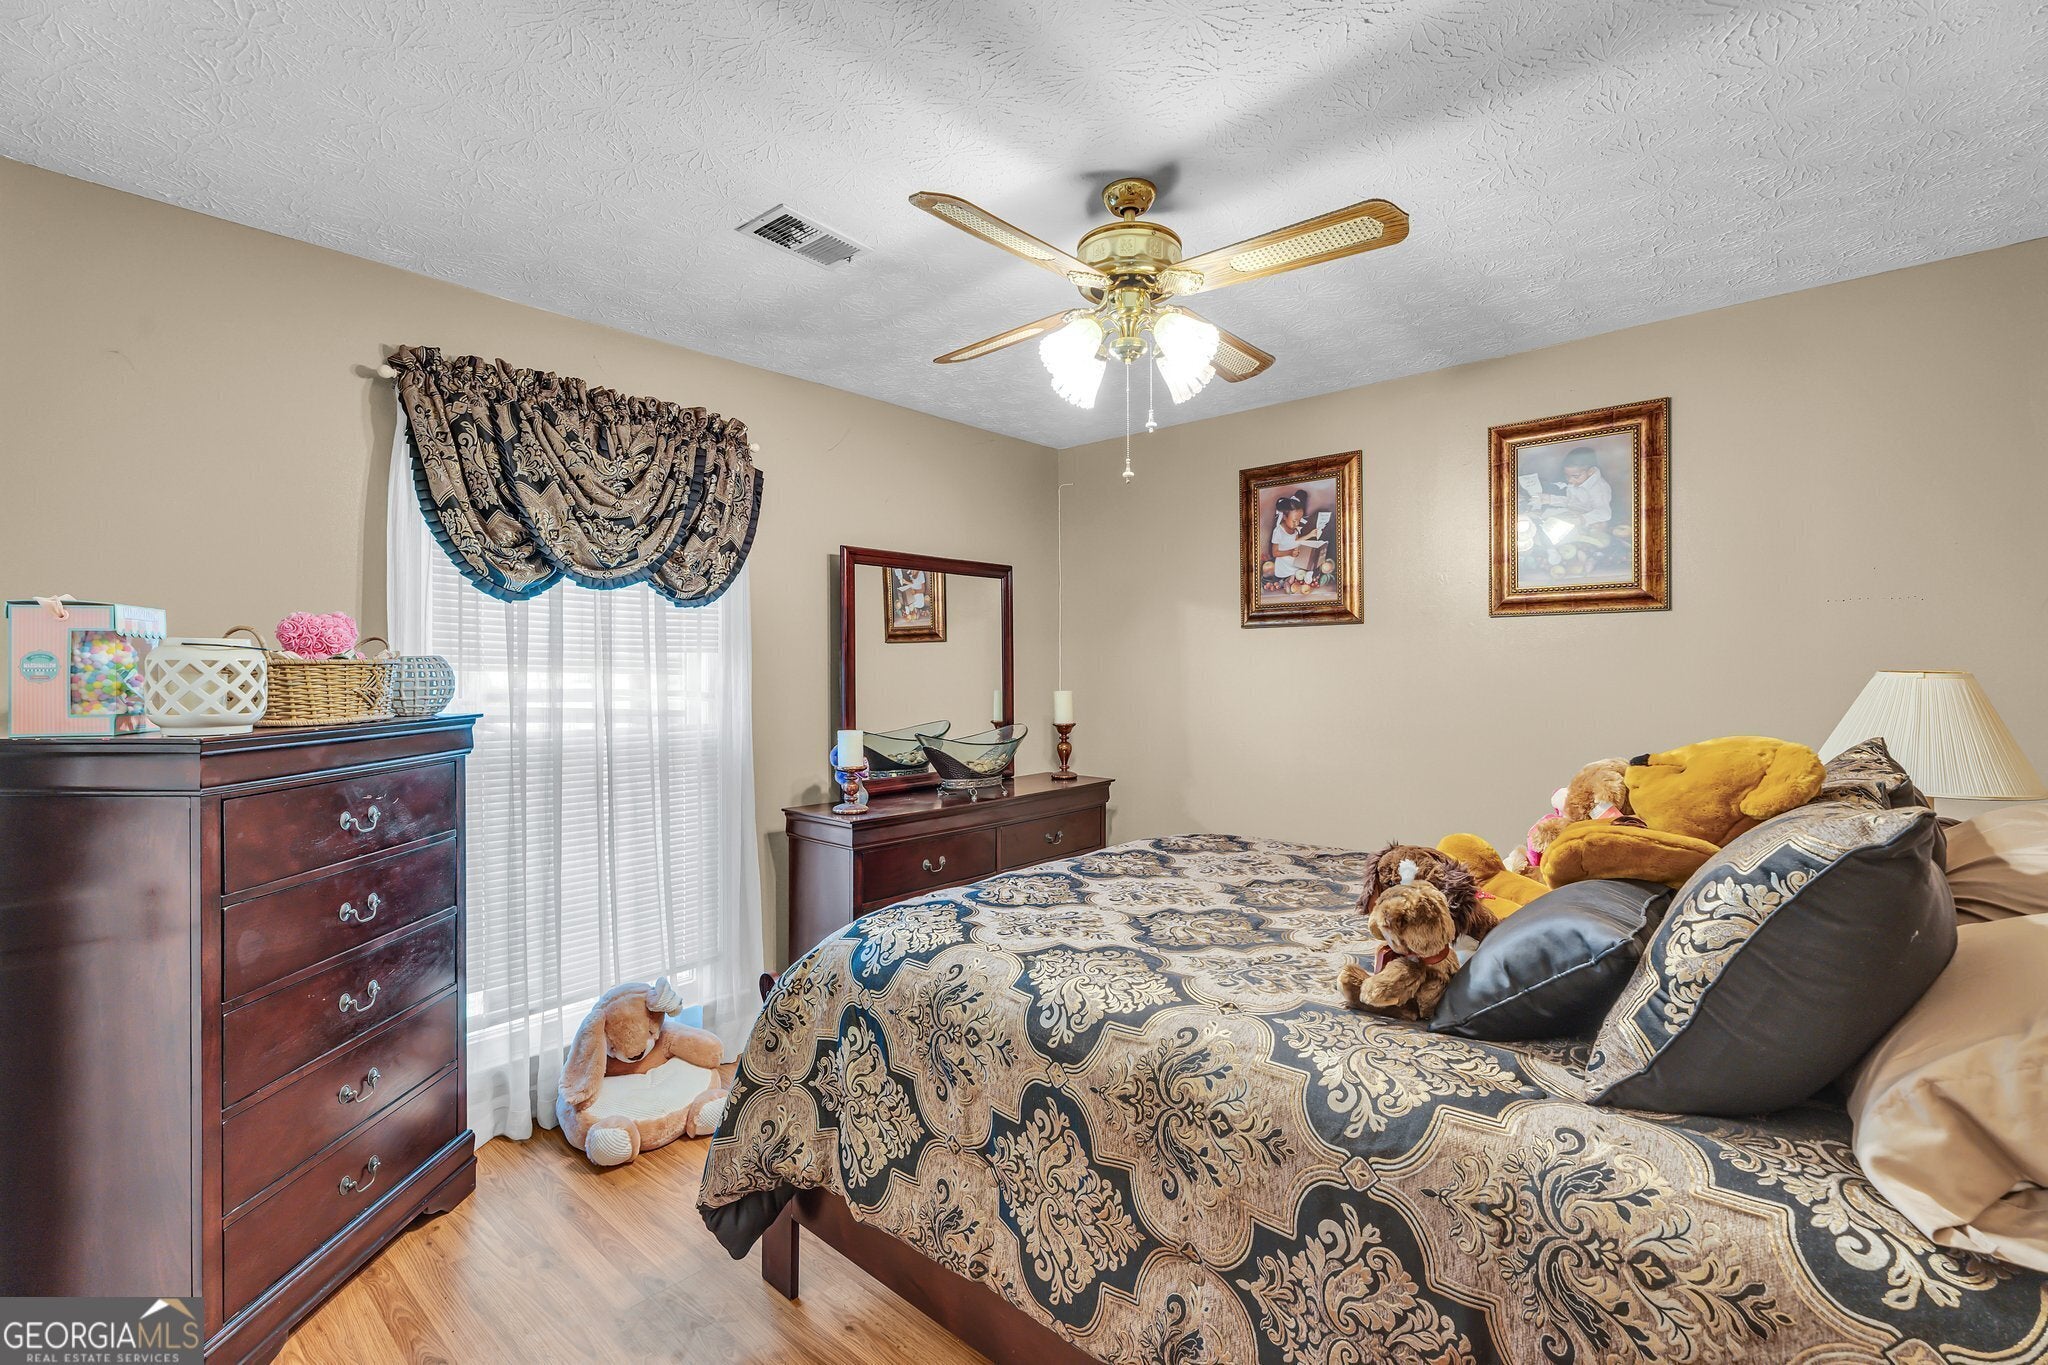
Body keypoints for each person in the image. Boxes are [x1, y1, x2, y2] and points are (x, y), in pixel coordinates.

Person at [1531, 448, 1614, 574]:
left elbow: (1605, 513)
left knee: (1554, 528)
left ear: (1591, 471)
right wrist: (1550, 499)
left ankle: (1551, 549)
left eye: (1575, 476)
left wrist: (1582, 519)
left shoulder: (1599, 489)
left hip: (1589, 522)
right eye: (1567, 476)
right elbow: (1571, 502)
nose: (1570, 480)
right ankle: (1549, 546)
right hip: (1573, 514)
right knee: (1542, 519)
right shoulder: (1577, 481)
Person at [1269, 491, 1327, 589]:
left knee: (1308, 562)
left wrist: (1310, 535)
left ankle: (1298, 577)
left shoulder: (1294, 529)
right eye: (1294, 521)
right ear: (1284, 517)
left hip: (1294, 558)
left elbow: (1296, 541)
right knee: (1302, 568)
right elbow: (1275, 553)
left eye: (1299, 520)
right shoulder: (1278, 531)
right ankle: (1289, 579)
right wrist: (1290, 552)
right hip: (1284, 562)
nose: (1297, 524)